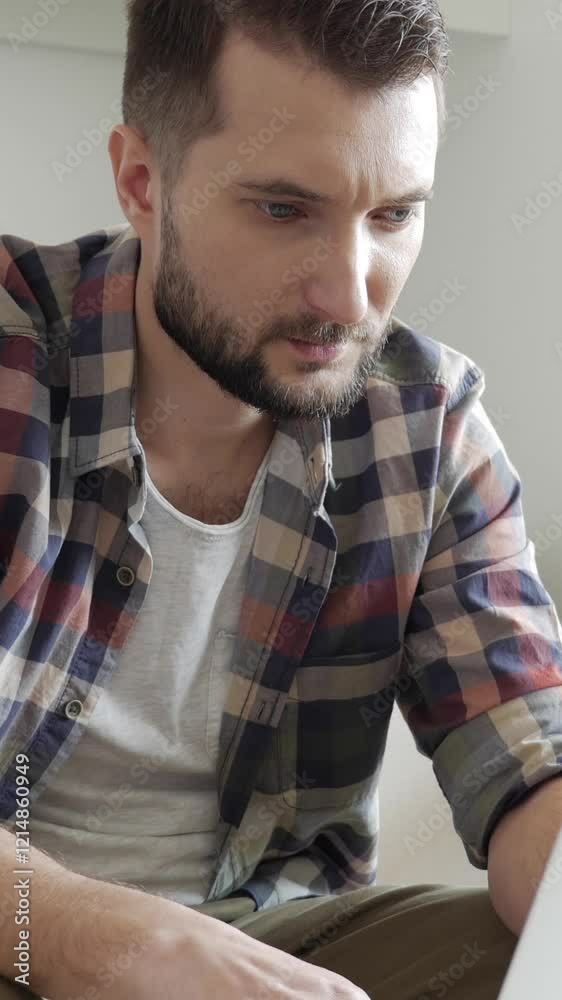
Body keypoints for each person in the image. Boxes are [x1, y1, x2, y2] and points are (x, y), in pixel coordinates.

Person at [1, 1, 561, 997]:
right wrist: (123, 945)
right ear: (142, 181)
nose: (348, 296)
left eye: (393, 215)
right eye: (282, 210)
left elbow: (527, 758)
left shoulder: (427, 424)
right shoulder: (14, 361)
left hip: (278, 941)